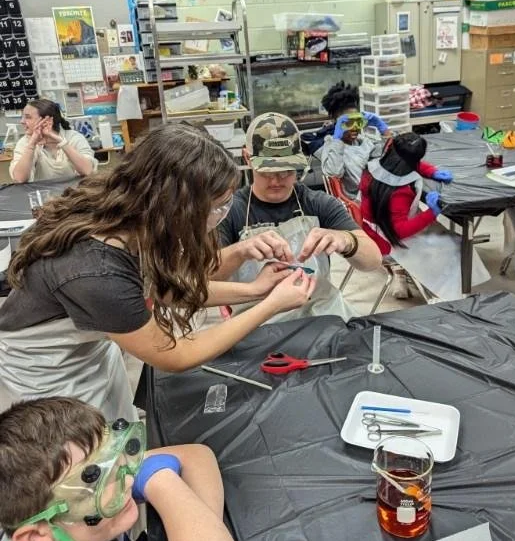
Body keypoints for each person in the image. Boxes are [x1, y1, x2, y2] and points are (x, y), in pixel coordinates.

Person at [0, 123, 315, 421]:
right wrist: (269, 306)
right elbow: (176, 355)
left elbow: (160, 288)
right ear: (175, 204)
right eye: (216, 206)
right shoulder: (97, 272)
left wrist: (256, 290)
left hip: (89, 347)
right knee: (93, 459)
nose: (220, 215)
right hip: (47, 370)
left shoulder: (134, 215)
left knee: (120, 431)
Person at [0, 396, 262, 541]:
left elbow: (196, 456)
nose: (124, 477)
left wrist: (202, 540)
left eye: (110, 457)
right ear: (34, 536)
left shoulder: (43, 494)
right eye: (95, 479)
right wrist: (159, 478)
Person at [215, 112, 382, 321]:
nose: (276, 180)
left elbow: (373, 260)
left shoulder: (318, 203)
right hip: (257, 324)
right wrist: (239, 251)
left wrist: (347, 241)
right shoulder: (229, 211)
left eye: (286, 170)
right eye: (267, 171)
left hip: (321, 315)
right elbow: (202, 279)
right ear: (248, 158)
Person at [359, 132, 452, 257]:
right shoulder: (399, 193)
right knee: (455, 248)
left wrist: (431, 171)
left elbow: (403, 162)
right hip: (385, 242)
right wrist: (432, 213)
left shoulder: (374, 169)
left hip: (369, 230)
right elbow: (400, 231)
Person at [317, 83, 390, 199]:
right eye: (348, 123)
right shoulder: (331, 147)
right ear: (337, 123)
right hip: (358, 202)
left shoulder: (364, 142)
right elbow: (334, 173)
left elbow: (392, 156)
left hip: (379, 194)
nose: (354, 127)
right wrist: (338, 140)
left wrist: (383, 129)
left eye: (358, 121)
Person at [9, 98, 98, 183]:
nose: (22, 121)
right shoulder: (25, 142)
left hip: (74, 196)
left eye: (28, 117)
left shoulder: (74, 138)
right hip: (41, 196)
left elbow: (87, 171)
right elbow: (20, 179)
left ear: (46, 121)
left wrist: (61, 141)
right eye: (23, 117)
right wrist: (32, 145)